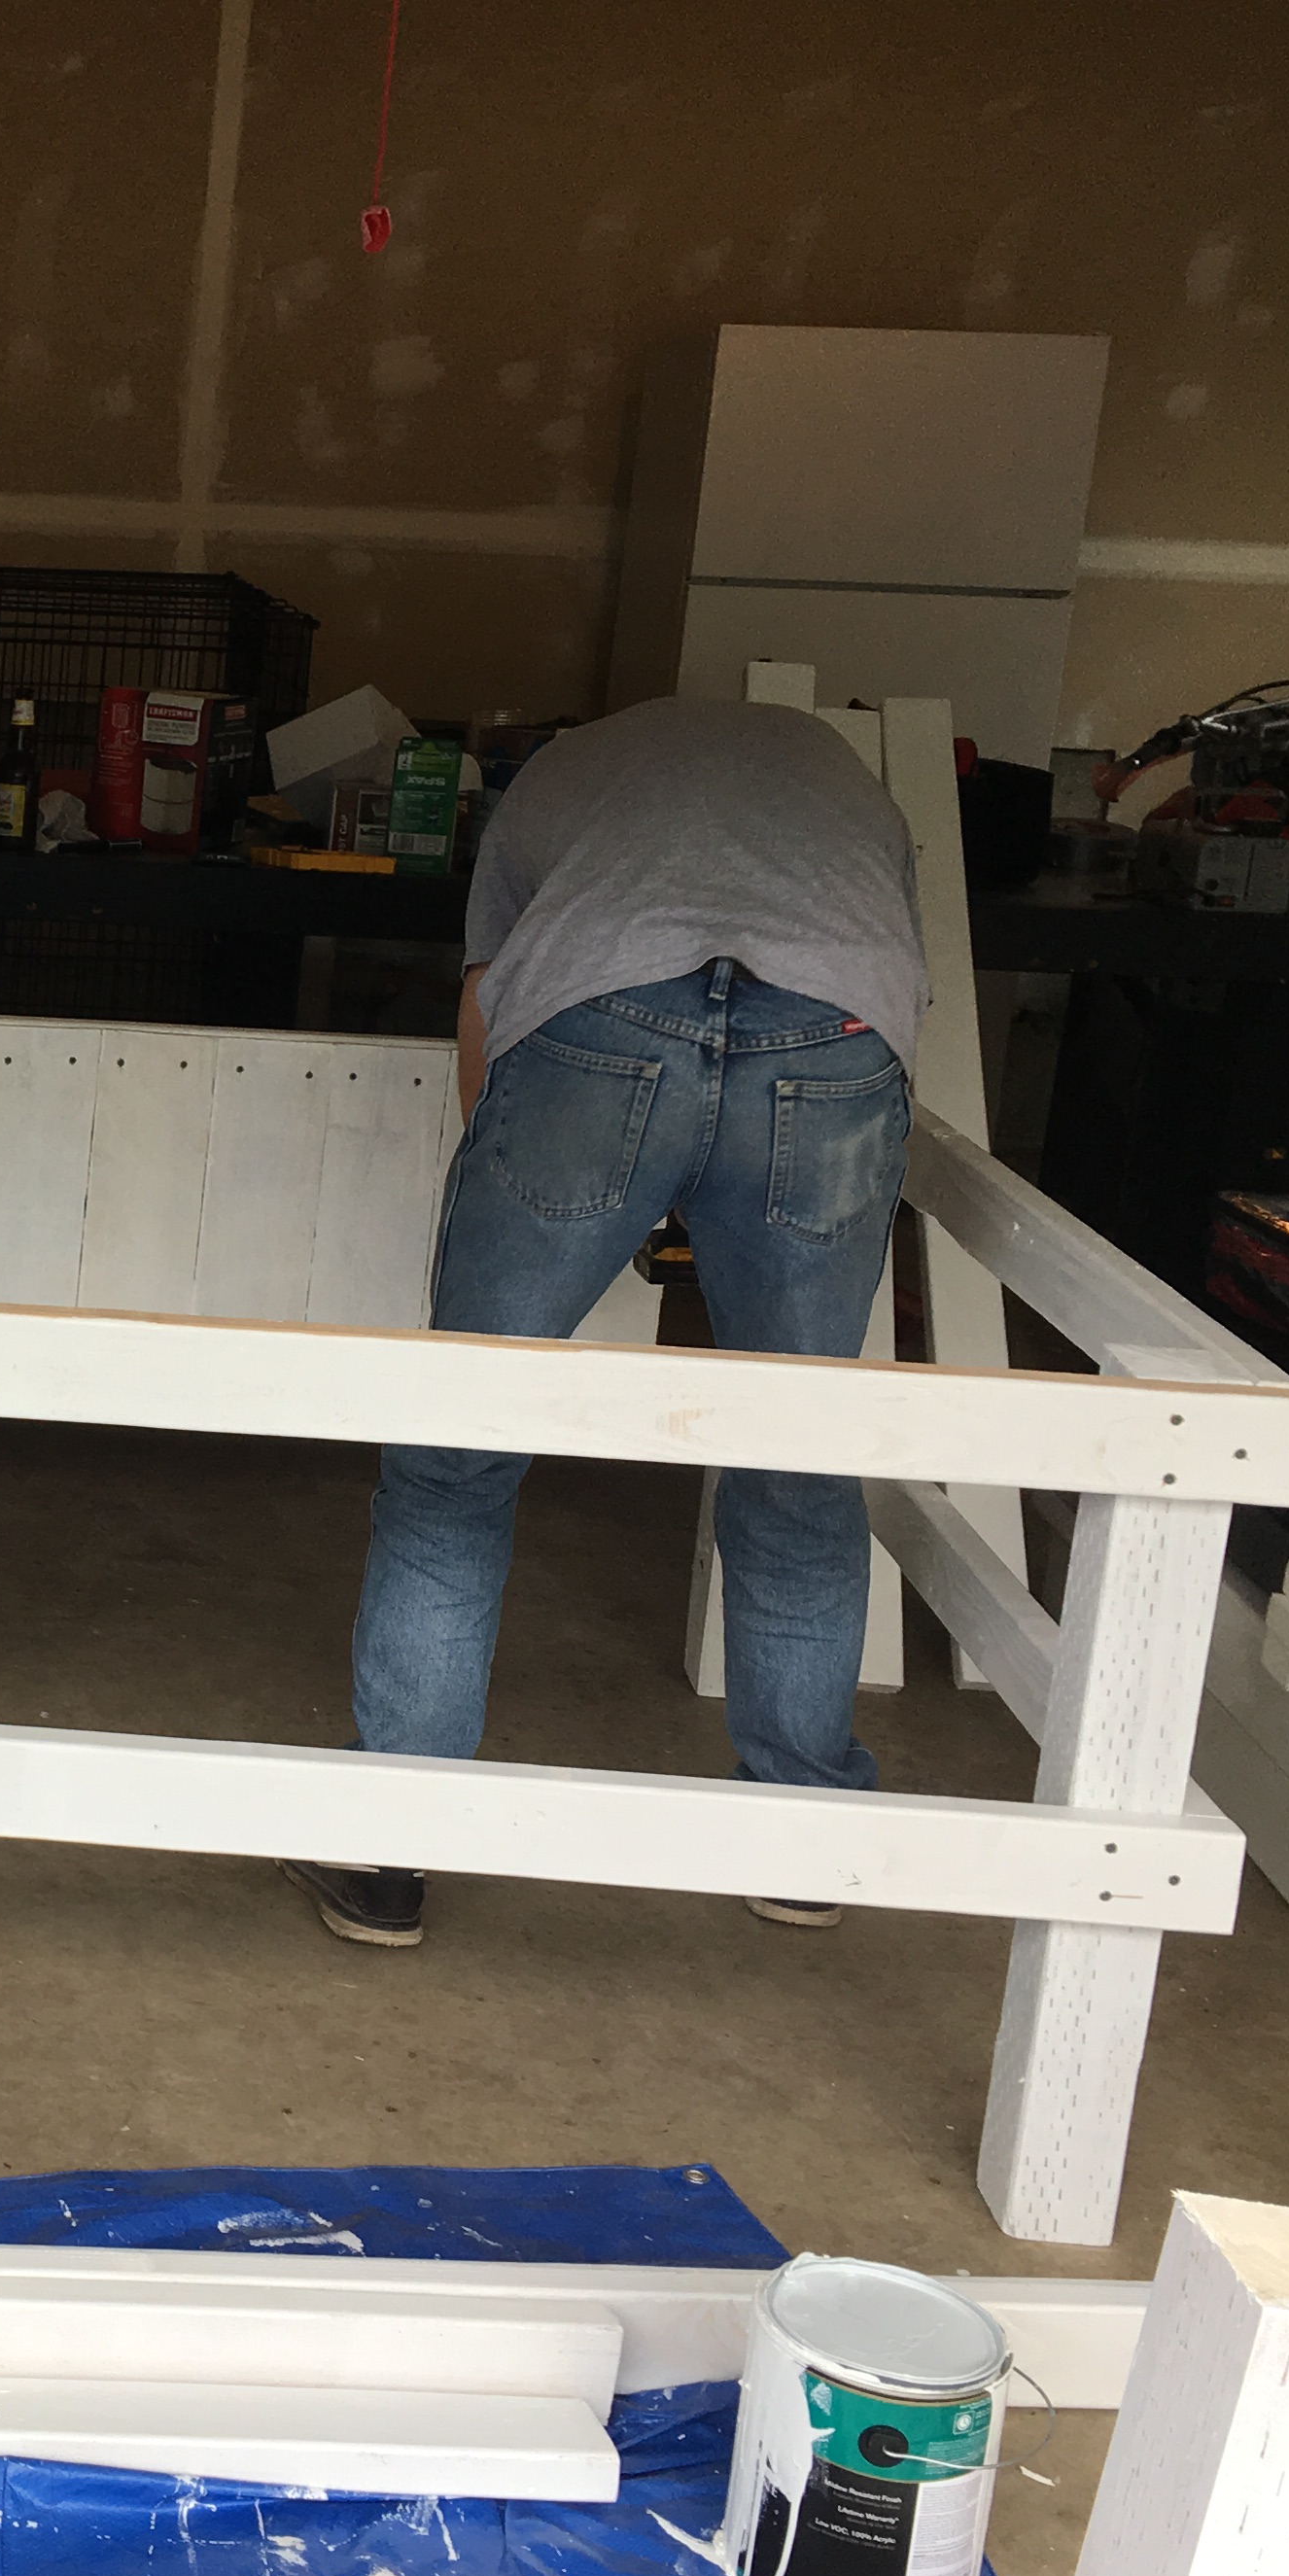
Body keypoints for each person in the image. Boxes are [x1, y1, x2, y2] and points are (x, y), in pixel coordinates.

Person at [286, 695, 928, 1951]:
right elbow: (892, 993)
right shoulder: (846, 775)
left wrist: (541, 1189)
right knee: (799, 1450)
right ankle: (804, 1835)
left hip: (600, 1016)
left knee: (458, 1452)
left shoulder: (552, 777)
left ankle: (389, 1848)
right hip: (837, 1032)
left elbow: (488, 1002)